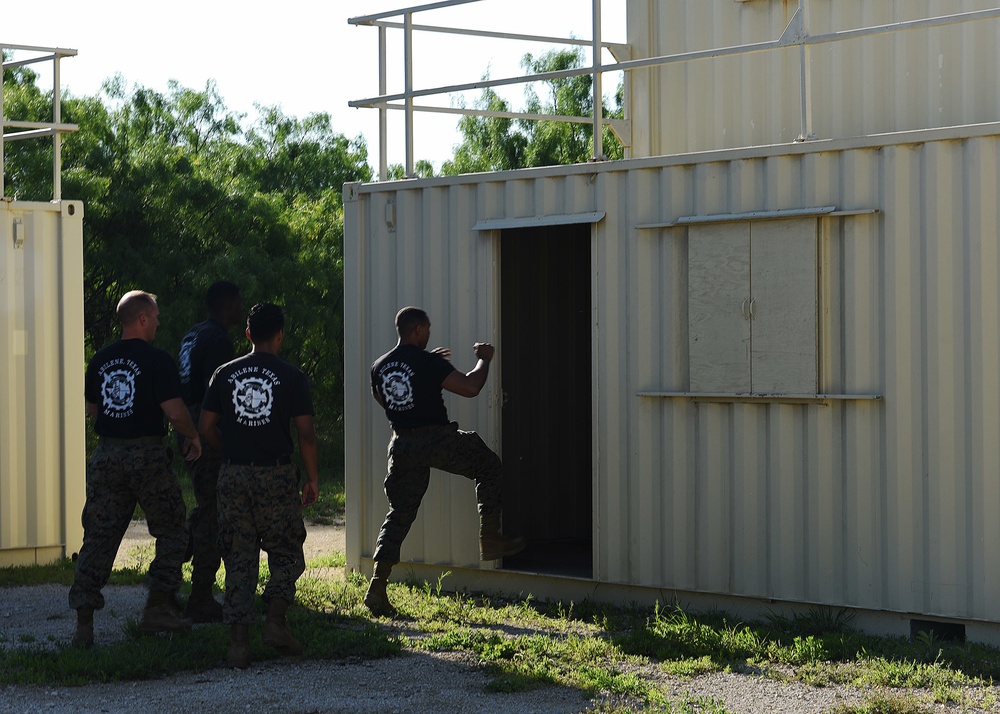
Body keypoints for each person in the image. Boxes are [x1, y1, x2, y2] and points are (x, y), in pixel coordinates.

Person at [364, 306, 526, 618]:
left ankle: (377, 587)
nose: (429, 334)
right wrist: (485, 358)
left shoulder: (380, 365)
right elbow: (470, 387)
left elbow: (382, 398)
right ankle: (491, 538)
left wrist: (429, 374)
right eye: (427, 329)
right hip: (434, 439)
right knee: (488, 465)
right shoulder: (428, 362)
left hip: (401, 444)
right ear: (417, 331)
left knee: (398, 514)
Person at [69, 290, 202, 648]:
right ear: (142, 319)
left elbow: (95, 410)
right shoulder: (156, 360)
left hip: (107, 456)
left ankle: (84, 624)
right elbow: (174, 412)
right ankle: (158, 606)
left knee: (99, 536)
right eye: (155, 316)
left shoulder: (99, 359)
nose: (158, 322)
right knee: (174, 530)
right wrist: (192, 436)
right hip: (147, 456)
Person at [199, 302, 319, 669]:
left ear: (248, 334)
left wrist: (230, 451)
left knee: (238, 555)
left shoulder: (224, 373)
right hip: (277, 475)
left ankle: (239, 646)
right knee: (285, 551)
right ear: (280, 334)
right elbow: (306, 434)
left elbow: (205, 427)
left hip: (233, 475)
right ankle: (276, 622)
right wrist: (312, 477)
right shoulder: (293, 376)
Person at [176, 280, 243, 622]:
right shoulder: (218, 339)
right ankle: (200, 596)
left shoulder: (193, 334)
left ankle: (170, 574)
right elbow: (215, 391)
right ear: (227, 305)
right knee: (212, 513)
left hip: (187, 423)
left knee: (205, 506)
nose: (242, 308)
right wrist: (218, 437)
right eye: (238, 303)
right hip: (204, 428)